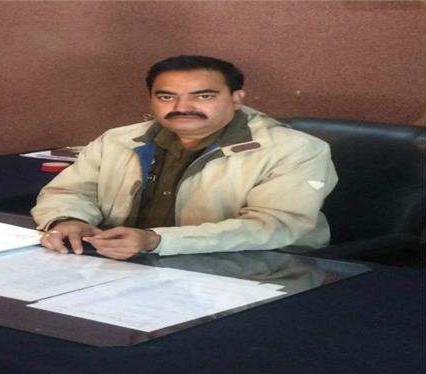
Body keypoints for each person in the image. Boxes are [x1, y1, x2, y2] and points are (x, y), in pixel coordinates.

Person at [31, 55, 337, 260]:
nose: (182, 107)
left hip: (250, 270)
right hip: (125, 265)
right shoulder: (118, 140)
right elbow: (69, 191)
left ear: (236, 99)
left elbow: (274, 226)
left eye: (203, 96)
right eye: (167, 96)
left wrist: (156, 240)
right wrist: (69, 219)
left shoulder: (295, 149)